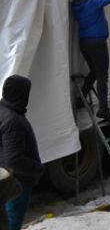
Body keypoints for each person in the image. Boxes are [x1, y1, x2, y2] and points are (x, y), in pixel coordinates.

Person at [0, 75, 45, 230]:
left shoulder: (4, 110)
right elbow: (14, 159)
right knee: (12, 222)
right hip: (17, 181)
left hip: (5, 177)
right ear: (20, 94)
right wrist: (38, 168)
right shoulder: (13, 121)